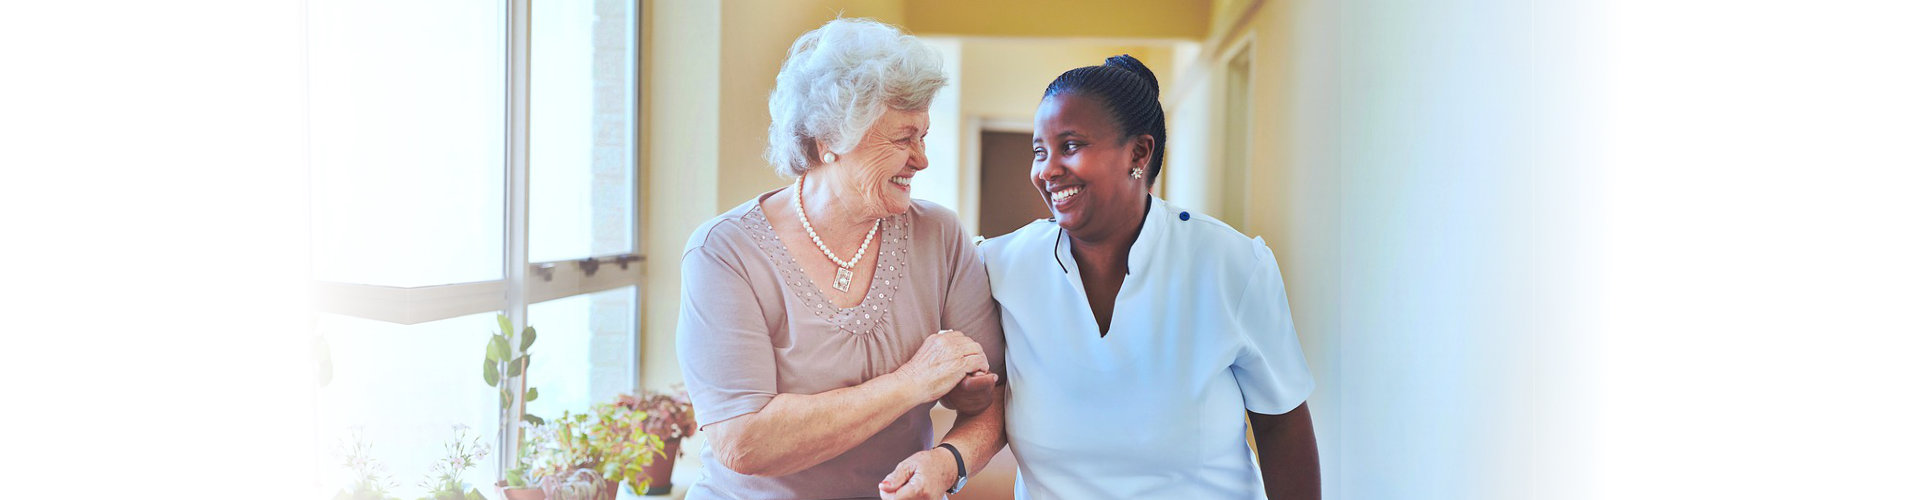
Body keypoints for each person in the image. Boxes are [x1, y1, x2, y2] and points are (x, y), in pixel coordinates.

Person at [675, 18, 1005, 500]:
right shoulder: (725, 253)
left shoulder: (940, 236)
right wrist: (911, 383)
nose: (922, 159)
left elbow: (993, 400)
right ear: (828, 140)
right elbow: (743, 441)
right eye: (902, 138)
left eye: (924, 136)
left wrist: (949, 461)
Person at [979, 54, 1321, 499]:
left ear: (1139, 153)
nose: (1047, 169)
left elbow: (1283, 429)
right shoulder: (1002, 267)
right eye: (1039, 151)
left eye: (1071, 146)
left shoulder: (1229, 264)